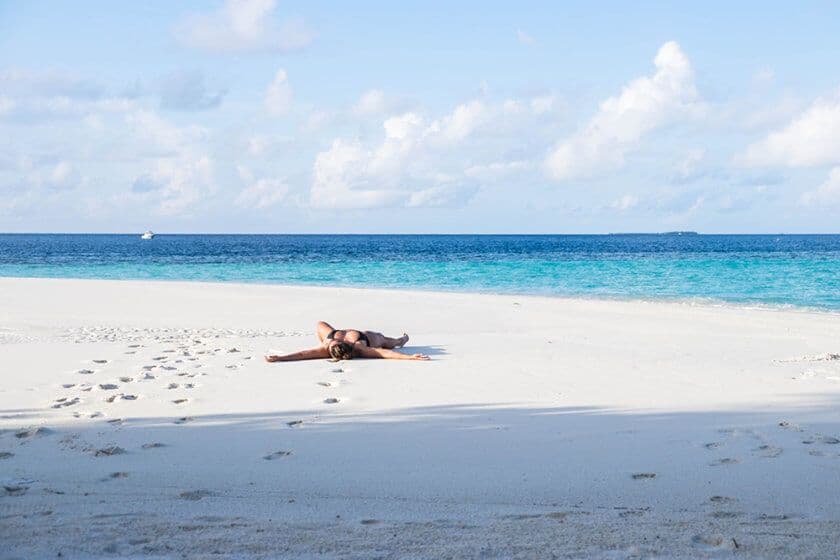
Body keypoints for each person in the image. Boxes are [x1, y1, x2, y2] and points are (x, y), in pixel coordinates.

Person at [264, 321, 430, 362]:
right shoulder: (327, 345)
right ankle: (401, 339)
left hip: (363, 336)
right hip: (344, 335)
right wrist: (280, 358)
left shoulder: (359, 347)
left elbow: (385, 352)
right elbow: (302, 354)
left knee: (390, 341)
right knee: (320, 325)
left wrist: (280, 358)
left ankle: (403, 339)